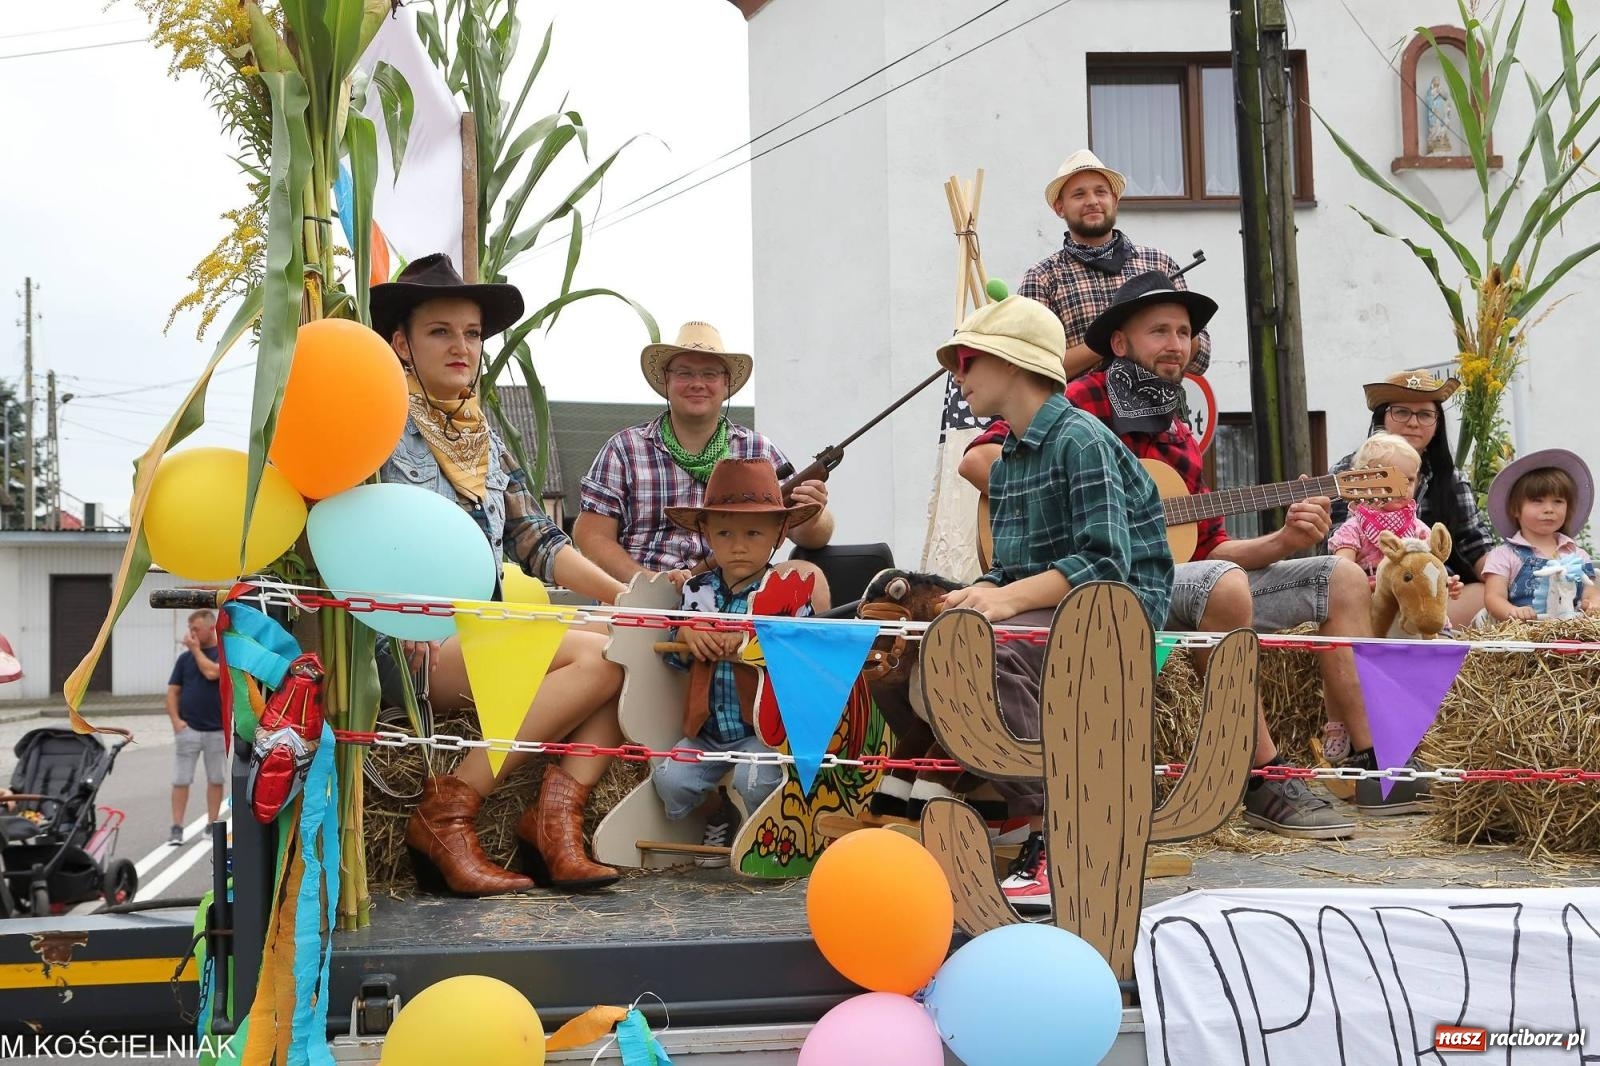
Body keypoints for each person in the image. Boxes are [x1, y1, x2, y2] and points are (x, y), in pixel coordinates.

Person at [983, 273, 1401, 837]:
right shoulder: (1079, 403)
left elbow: (1210, 546)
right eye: (1159, 331)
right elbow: (982, 460)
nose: (1177, 344)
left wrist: (1284, 541)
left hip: (1184, 572)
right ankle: (1261, 772)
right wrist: (1096, 500)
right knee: (1221, 585)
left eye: (1184, 332)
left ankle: (1372, 764)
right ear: (1120, 343)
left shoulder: (1179, 430)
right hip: (1108, 576)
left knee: (1343, 577)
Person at [371, 253, 628, 897]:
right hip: (409, 643)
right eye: (440, 332)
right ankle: (449, 810)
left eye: (473, 334)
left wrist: (623, 596)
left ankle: (554, 819)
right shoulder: (375, 426)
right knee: (604, 661)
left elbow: (535, 539)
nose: (462, 347)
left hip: (485, 632)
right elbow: (352, 541)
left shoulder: (481, 433)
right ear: (401, 342)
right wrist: (395, 618)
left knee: (626, 643)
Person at [939, 295, 1173, 911]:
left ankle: (1061, 826)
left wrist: (1004, 599)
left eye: (966, 361)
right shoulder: (1012, 455)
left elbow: (1104, 565)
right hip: (1056, 605)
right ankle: (996, 804)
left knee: (999, 647)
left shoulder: (1081, 440)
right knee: (938, 645)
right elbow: (1011, 570)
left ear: (1011, 365)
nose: (957, 376)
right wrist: (982, 592)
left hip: (1117, 613)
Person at [575, 322, 837, 608]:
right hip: (642, 601)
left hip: (739, 597)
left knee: (809, 576)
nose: (697, 383)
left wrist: (813, 515)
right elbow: (590, 535)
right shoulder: (623, 449)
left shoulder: (758, 449)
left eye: (709, 374)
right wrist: (647, 582)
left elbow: (812, 535)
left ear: (725, 384)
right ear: (667, 380)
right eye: (684, 373)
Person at [651, 458, 821, 866]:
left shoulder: (786, 591)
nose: (738, 545)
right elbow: (675, 661)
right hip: (707, 728)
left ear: (778, 535)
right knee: (670, 780)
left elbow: (805, 657)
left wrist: (751, 643)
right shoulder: (696, 591)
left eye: (752, 532)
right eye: (724, 532)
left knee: (756, 777)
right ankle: (718, 812)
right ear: (706, 533)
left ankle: (757, 831)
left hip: (762, 730)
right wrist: (686, 636)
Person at [1329, 371, 1497, 628]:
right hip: (1369, 594)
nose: (1413, 423)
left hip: (1428, 590)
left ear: (1437, 423)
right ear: (1382, 418)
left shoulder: (1451, 479)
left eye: (1425, 414)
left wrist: (1504, 580)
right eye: (1402, 412)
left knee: (1488, 594)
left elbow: (1475, 545)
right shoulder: (1348, 474)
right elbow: (1338, 551)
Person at [1479, 448, 1597, 621]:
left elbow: (1591, 591)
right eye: (1537, 501)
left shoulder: (1577, 555)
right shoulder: (1504, 555)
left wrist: (1592, 603)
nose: (1549, 509)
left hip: (1572, 635)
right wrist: (1513, 612)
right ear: (1515, 509)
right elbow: (1493, 597)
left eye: (1558, 501)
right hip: (1524, 636)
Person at [1328, 432, 1441, 581]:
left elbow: (1434, 568)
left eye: (1410, 480)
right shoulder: (1354, 529)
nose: (1403, 487)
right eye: (1392, 479)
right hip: (1365, 600)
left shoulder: (1418, 530)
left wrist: (1444, 583)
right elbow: (1341, 575)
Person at [166, 609, 224, 846]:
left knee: (216, 779)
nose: (191, 634)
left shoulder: (223, 653)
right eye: (190, 629)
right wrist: (176, 722)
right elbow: (172, 693)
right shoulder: (184, 659)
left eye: (196, 629)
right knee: (181, 780)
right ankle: (177, 827)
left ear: (211, 628)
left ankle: (212, 824)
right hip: (188, 728)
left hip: (217, 729)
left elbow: (212, 673)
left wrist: (195, 650)